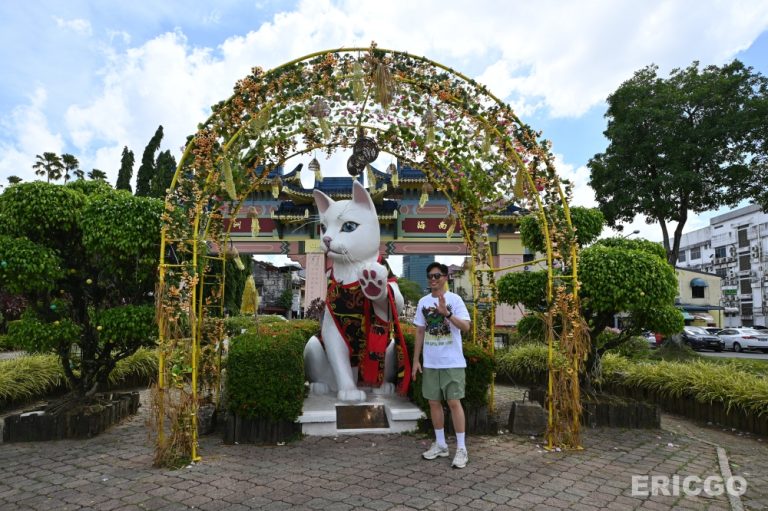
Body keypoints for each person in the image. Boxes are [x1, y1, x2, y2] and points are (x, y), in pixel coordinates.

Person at [411, 262, 471, 469]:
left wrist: (447, 313)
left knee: (454, 402)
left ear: (445, 277)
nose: (433, 279)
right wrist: (416, 360)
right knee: (433, 403)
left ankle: (461, 448)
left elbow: (466, 326)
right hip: (431, 362)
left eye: (437, 275)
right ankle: (441, 444)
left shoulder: (455, 299)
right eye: (430, 276)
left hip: (452, 362)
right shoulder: (423, 302)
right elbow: (420, 331)